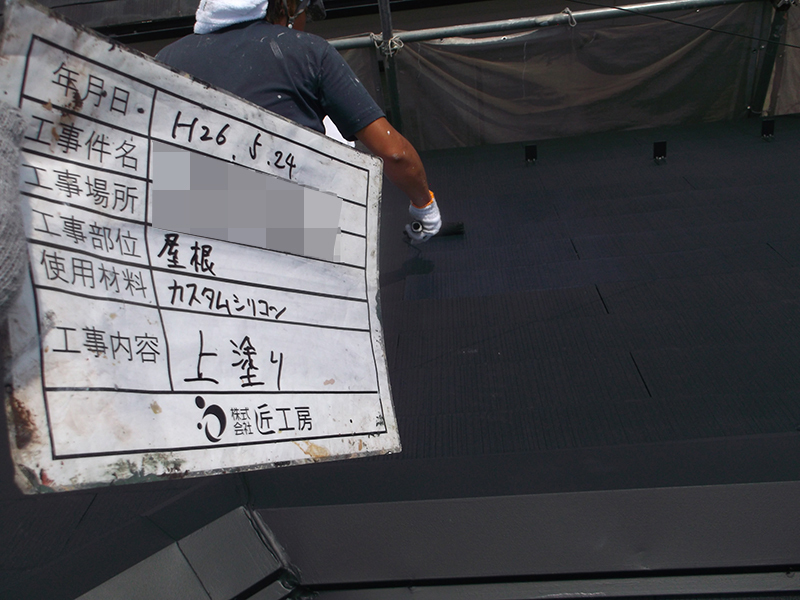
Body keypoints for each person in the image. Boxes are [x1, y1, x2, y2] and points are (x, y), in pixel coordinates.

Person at [156, 0, 441, 242]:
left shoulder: (164, 59)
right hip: (293, 230)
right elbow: (395, 153)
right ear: (286, 7)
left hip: (194, 233)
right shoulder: (309, 52)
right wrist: (424, 206)